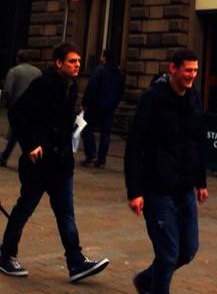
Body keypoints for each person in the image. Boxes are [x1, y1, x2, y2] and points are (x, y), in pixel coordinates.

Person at [0, 42, 109, 282]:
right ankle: (6, 255)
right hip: (39, 164)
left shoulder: (71, 87)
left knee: (66, 214)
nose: (77, 65)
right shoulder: (42, 85)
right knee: (23, 210)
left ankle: (76, 262)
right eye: (72, 61)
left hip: (61, 165)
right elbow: (17, 113)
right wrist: (30, 145)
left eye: (79, 61)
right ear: (58, 63)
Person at [125, 47, 208, 294]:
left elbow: (197, 141)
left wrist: (201, 182)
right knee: (168, 254)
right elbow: (134, 146)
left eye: (195, 70)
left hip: (185, 189)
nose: (192, 75)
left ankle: (145, 281)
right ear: (173, 68)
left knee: (188, 250)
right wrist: (134, 191)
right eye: (187, 70)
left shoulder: (194, 97)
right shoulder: (153, 99)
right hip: (157, 189)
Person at [81, 48, 124, 169]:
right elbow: (121, 91)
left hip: (96, 106)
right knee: (105, 134)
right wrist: (115, 103)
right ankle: (101, 160)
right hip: (109, 107)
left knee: (87, 129)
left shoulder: (100, 70)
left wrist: (85, 103)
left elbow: (91, 88)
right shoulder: (119, 73)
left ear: (104, 58)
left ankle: (91, 154)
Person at [0, 50, 41, 167]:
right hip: (34, 108)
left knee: (16, 133)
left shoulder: (14, 71)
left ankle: (5, 156)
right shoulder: (37, 71)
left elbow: (8, 90)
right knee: (28, 133)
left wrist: (6, 104)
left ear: (18, 59)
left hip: (18, 107)